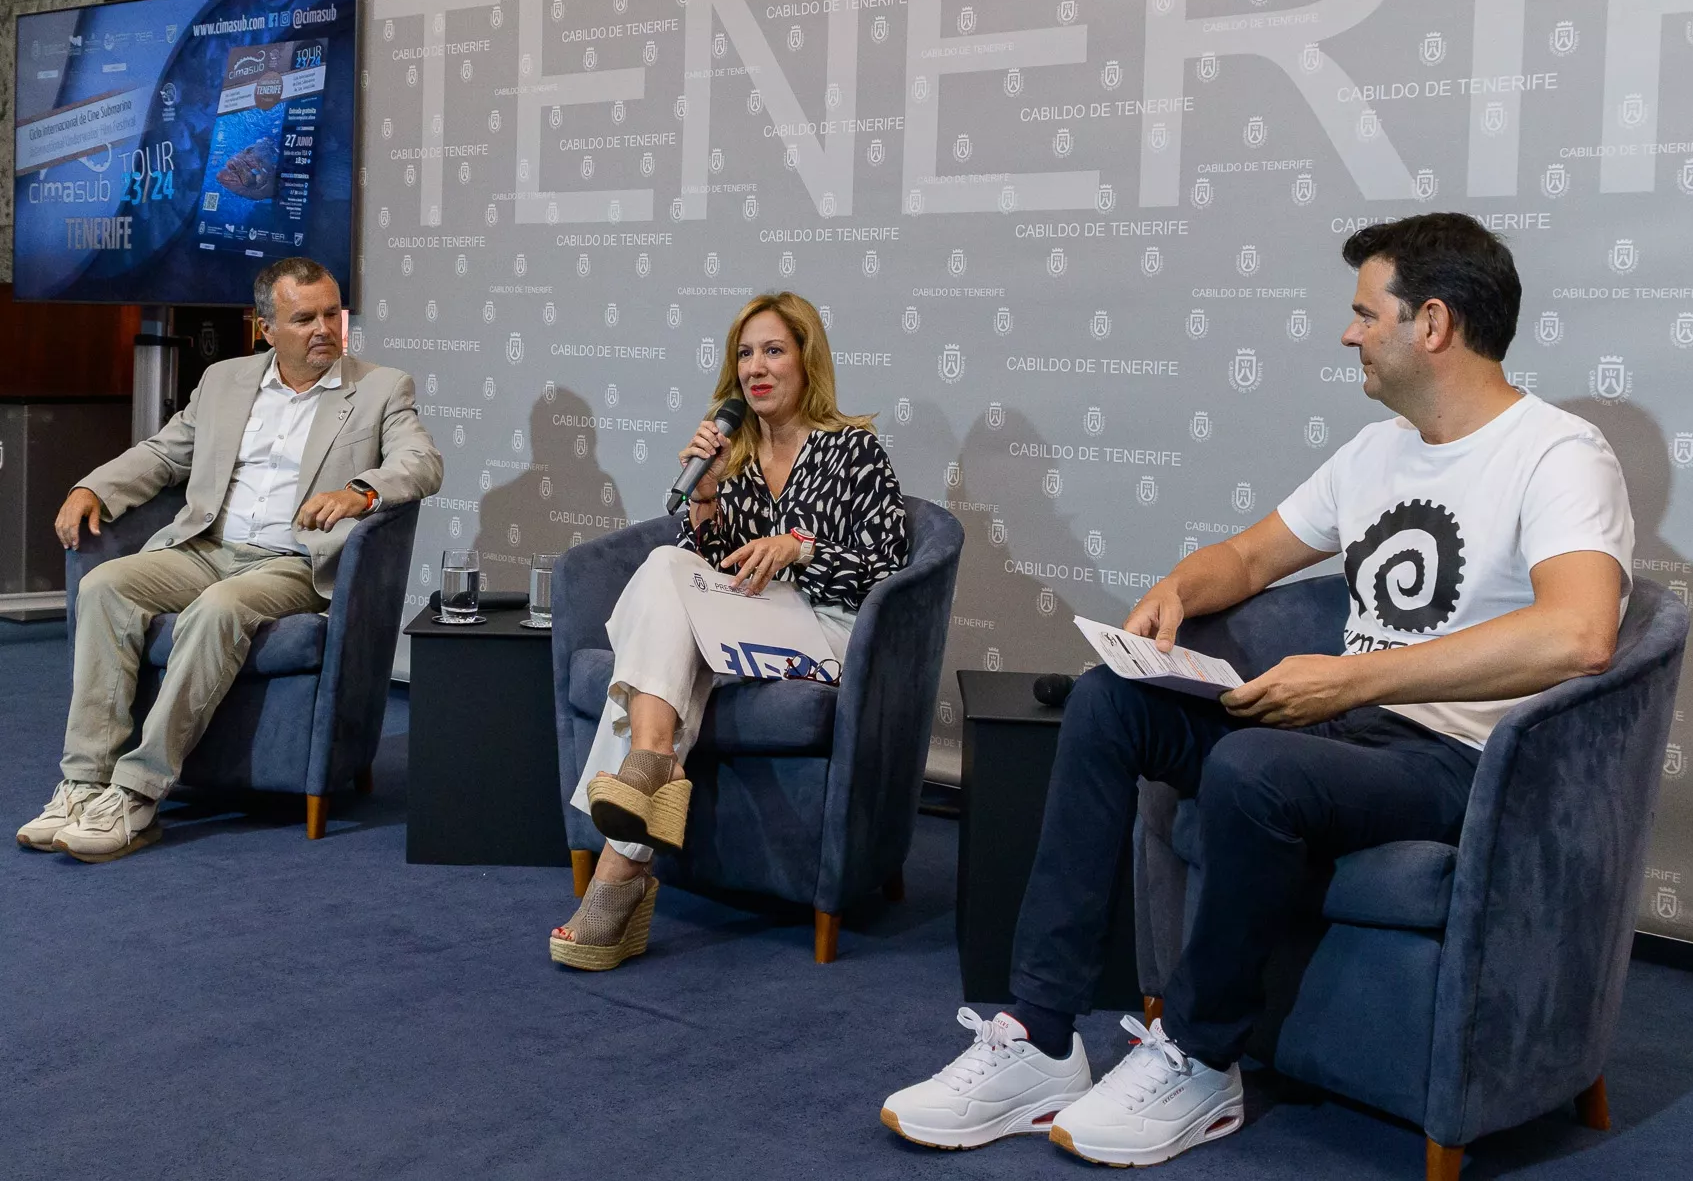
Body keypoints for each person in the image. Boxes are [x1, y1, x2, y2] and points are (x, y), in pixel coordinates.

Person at [881, 213, 1634, 1166]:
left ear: (1432, 324)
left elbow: (1580, 631)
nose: (1348, 332)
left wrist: (1351, 680)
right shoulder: (1376, 453)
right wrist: (1175, 594)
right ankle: (1039, 1038)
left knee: (1252, 768)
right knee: (1111, 701)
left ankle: (1202, 1063)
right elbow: (1248, 556)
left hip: (1459, 764)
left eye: (1367, 313)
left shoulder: (1559, 454)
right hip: (1342, 729)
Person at [16, 258, 443, 863]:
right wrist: (93, 488)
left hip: (292, 563)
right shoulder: (224, 381)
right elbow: (164, 455)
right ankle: (83, 782)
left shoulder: (380, 387)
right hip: (206, 548)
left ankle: (137, 793)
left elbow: (421, 462)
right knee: (106, 586)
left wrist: (361, 492)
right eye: (304, 318)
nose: (324, 328)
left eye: (332, 314)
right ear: (265, 327)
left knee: (217, 611)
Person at [550, 291, 908, 971]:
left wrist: (799, 550)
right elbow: (707, 572)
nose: (756, 368)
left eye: (773, 350)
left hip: (822, 632)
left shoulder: (854, 449)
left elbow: (886, 568)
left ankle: (617, 877)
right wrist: (707, 494)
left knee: (665, 634)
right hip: (747, 627)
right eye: (745, 354)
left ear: (807, 361)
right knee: (665, 565)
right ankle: (653, 760)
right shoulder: (733, 456)